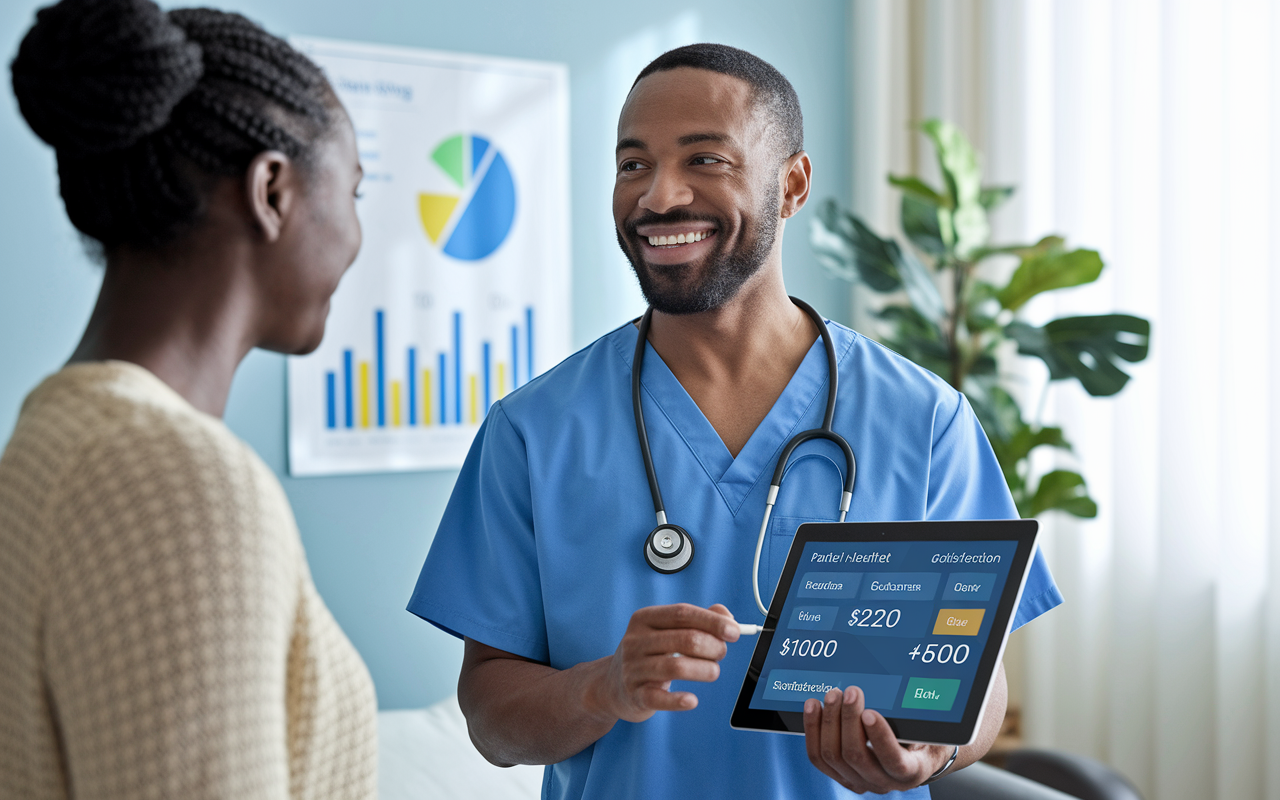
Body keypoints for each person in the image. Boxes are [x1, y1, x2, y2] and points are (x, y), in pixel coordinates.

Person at [408, 43, 1062, 799]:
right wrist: (600, 688)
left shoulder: (924, 420)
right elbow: (491, 720)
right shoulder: (533, 431)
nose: (658, 197)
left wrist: (930, 756)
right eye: (632, 165)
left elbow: (981, 686)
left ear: (792, 184)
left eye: (705, 159)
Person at [0, 1, 376, 797]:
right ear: (271, 190)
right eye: (354, 191)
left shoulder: (55, 432)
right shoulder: (176, 480)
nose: (355, 235)